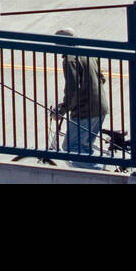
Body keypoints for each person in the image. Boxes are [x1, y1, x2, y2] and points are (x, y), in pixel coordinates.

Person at [52, 28, 109, 170]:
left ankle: (101, 173)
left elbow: (72, 90)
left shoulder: (70, 59)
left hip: (85, 111)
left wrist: (61, 110)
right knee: (84, 149)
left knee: (72, 149)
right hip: (100, 107)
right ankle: (97, 170)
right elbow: (102, 78)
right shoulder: (88, 54)